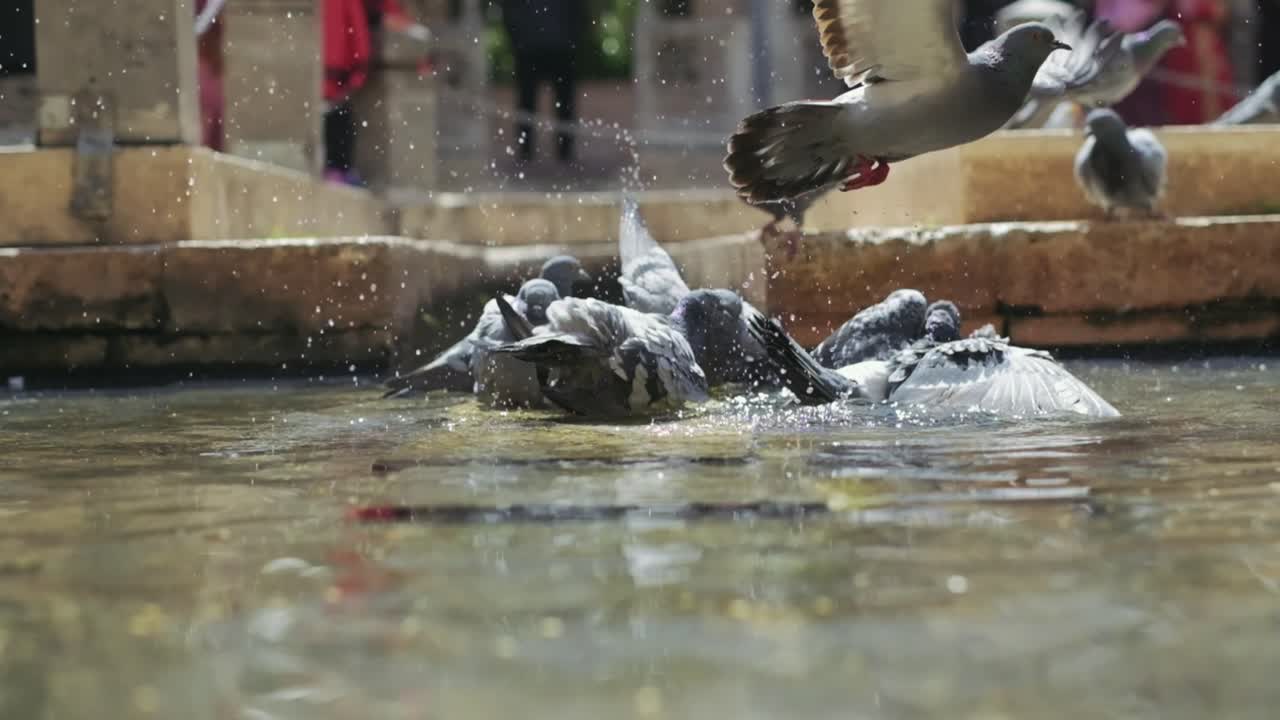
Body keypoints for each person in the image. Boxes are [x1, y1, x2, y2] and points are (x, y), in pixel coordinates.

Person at [500, 0, 587, 165]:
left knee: (560, 101)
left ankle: (562, 150)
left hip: (555, 46)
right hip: (535, 46)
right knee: (529, 101)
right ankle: (529, 149)